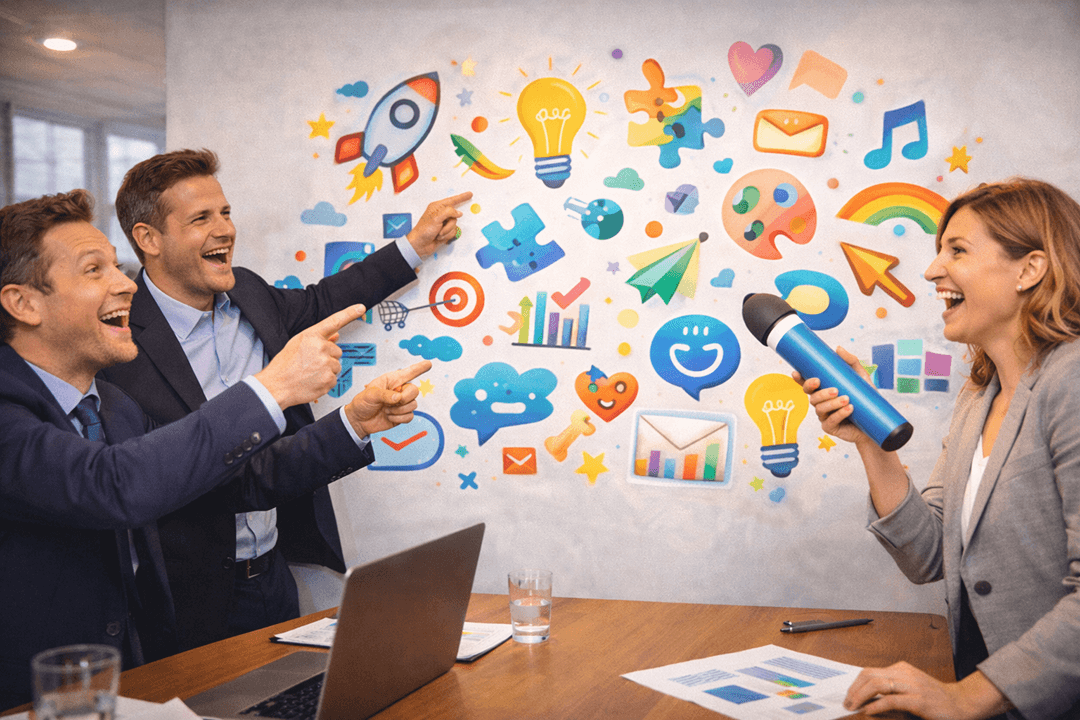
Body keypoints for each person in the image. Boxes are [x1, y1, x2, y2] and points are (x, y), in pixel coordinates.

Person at [0, 189, 429, 708]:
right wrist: (273, 388)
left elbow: (234, 482)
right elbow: (112, 485)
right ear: (23, 303)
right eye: (95, 270)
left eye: (117, 266)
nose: (124, 284)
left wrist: (353, 423)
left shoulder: (112, 406)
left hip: (131, 684)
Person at [99, 148, 471, 651]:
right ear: (149, 239)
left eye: (226, 212)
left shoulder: (248, 292)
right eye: (201, 218)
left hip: (272, 578)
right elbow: (187, 478)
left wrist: (414, 245)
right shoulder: (117, 345)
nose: (225, 229)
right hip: (186, 600)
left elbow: (324, 299)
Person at [800, 179, 1080, 720]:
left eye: (957, 250)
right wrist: (871, 443)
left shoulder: (1071, 381)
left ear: (1030, 270)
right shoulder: (981, 393)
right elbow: (929, 556)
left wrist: (967, 696)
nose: (931, 271)